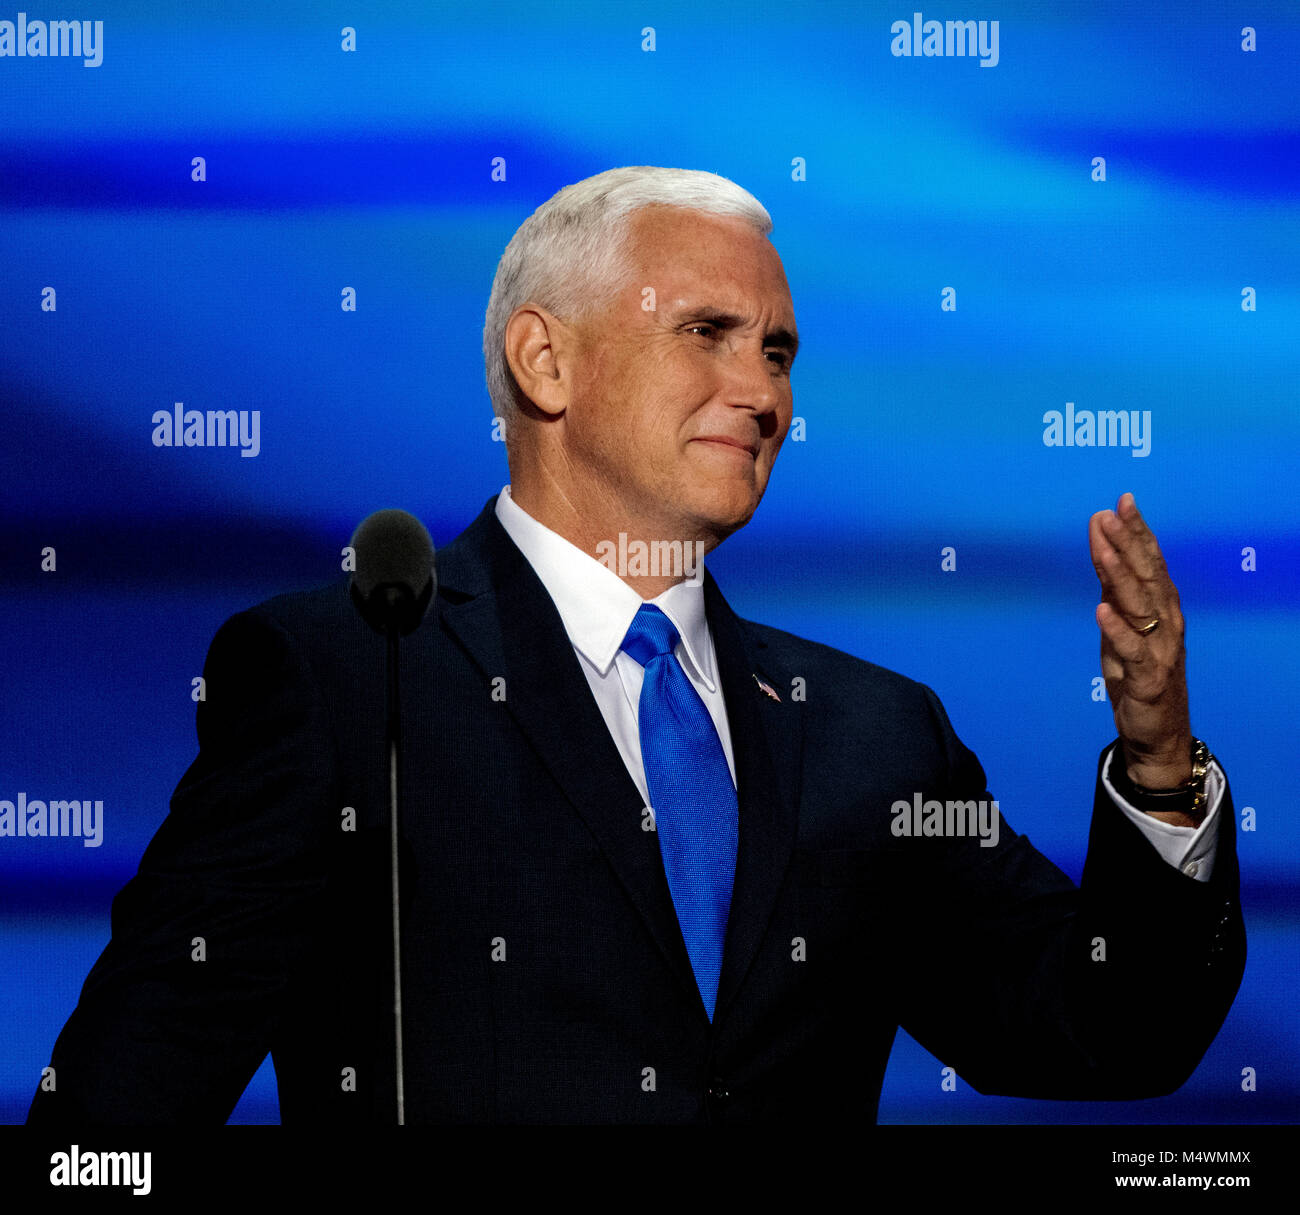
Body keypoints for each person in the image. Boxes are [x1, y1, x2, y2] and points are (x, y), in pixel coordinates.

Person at [28, 166, 1245, 1125]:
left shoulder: (875, 737)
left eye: (776, 351)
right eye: (706, 332)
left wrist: (1157, 770)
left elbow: (1109, 1029)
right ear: (544, 362)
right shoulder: (355, 676)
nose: (762, 393)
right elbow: (117, 1121)